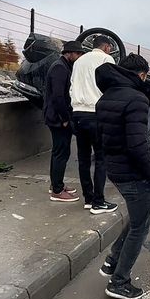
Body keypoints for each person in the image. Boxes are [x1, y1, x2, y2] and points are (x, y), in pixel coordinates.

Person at [95, 54, 150, 299]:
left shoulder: (105, 98)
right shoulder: (137, 99)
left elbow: (101, 139)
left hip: (116, 170)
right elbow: (138, 145)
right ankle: (119, 282)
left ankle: (112, 261)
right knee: (140, 228)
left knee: (136, 218)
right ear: (141, 74)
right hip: (134, 174)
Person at [69, 35, 118, 214]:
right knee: (101, 158)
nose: (111, 51)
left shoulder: (79, 62)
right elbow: (111, 87)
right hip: (97, 114)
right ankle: (99, 202)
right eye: (110, 48)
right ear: (106, 47)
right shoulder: (106, 59)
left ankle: (88, 199)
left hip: (78, 114)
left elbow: (72, 86)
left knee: (83, 159)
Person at [44, 40, 86, 202]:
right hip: (58, 119)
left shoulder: (63, 66)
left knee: (59, 152)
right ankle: (57, 191)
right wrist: (65, 120)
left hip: (57, 117)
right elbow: (58, 97)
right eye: (78, 53)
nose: (79, 56)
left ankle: (56, 184)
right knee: (61, 153)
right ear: (69, 53)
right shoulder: (59, 68)